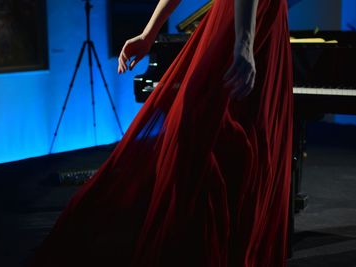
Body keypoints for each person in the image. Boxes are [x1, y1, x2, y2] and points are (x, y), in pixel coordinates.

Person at [28, 0, 293, 266]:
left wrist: (244, 41)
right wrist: (149, 32)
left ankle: (230, 247)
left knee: (238, 130)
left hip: (252, 18)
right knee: (202, 129)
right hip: (236, 20)